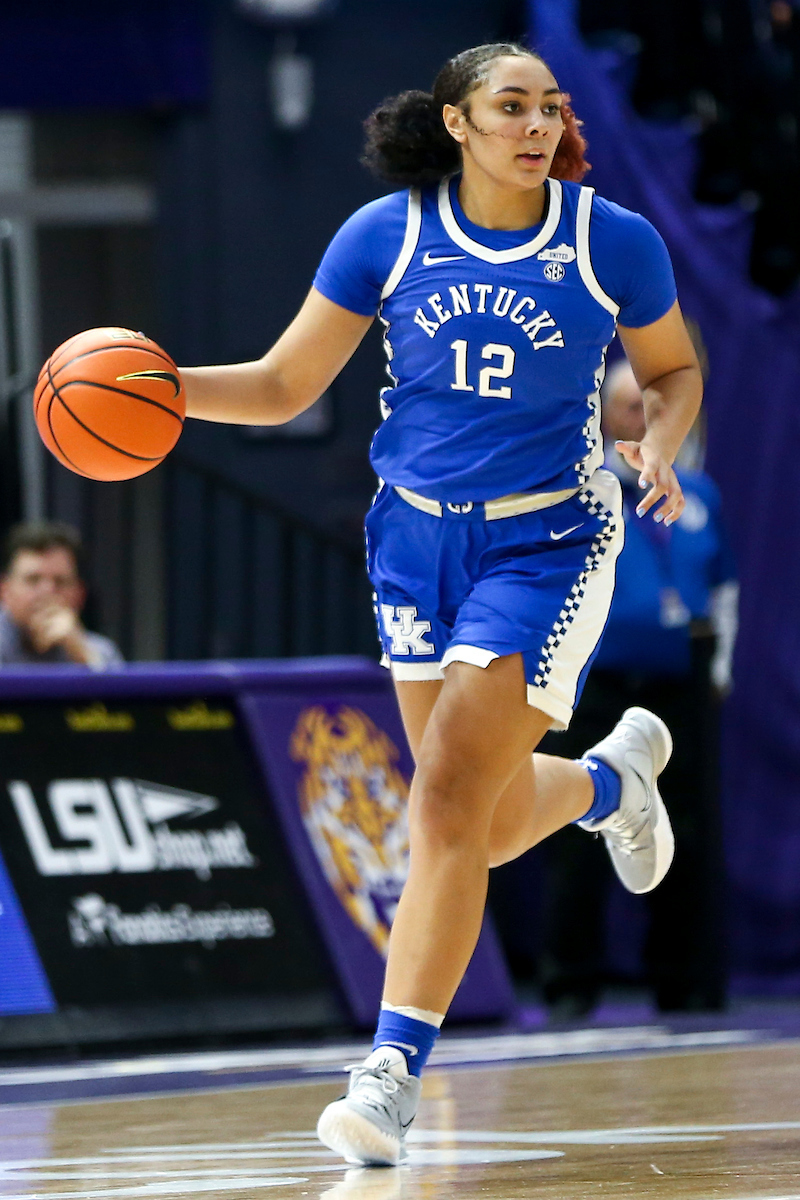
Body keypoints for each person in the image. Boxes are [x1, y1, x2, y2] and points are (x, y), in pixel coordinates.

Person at [177, 42, 702, 1166]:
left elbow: (671, 368)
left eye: (547, 108)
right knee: (483, 818)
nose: (535, 126)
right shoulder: (387, 234)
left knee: (447, 799)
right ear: (456, 123)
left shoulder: (608, 238)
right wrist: (160, 392)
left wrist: (656, 440)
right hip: (412, 538)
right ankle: (612, 780)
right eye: (508, 107)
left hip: (548, 538)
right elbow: (281, 386)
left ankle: (389, 1072)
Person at [537, 359, 737, 1017]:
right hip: (595, 685)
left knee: (688, 830)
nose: (644, 423)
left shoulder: (697, 495)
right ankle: (572, 982)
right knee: (577, 823)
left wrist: (719, 669)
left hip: (678, 686)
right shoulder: (580, 492)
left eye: (654, 411)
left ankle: (684, 982)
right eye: (629, 410)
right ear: (603, 417)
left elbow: (726, 590)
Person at [0, 521, 124, 668]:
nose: (46, 592)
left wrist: (82, 655)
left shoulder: (100, 652)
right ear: (5, 591)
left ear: (80, 595)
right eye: (33, 580)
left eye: (60, 582)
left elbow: (115, 687)